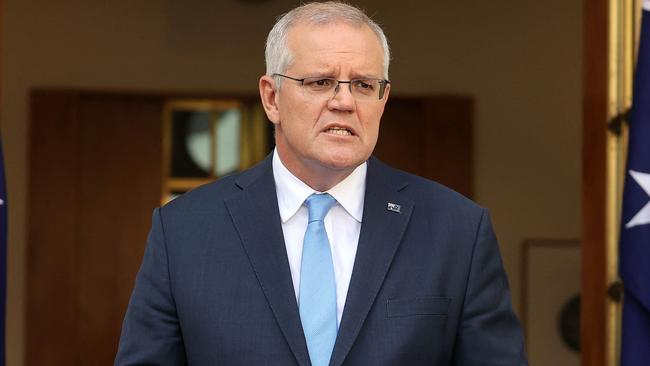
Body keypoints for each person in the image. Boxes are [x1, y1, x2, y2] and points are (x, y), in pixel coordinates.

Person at [115, 2, 528, 365]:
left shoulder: (456, 230)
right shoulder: (184, 231)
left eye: (364, 85)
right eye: (320, 82)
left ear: (383, 100)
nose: (344, 101)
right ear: (272, 98)